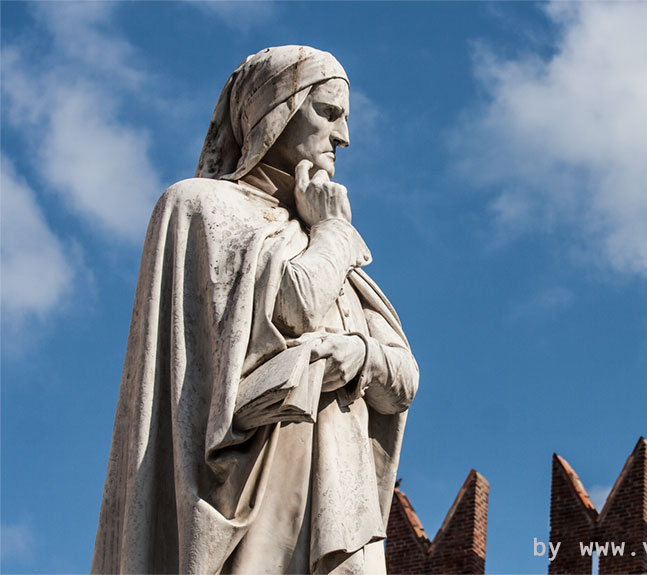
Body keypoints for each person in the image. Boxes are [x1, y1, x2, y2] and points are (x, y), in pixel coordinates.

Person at [91, 46, 418, 574]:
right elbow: (295, 307)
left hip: (337, 491)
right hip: (250, 498)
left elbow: (404, 377)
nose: (344, 137)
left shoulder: (327, 249)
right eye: (328, 112)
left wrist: (356, 357)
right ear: (276, 109)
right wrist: (333, 232)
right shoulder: (202, 206)